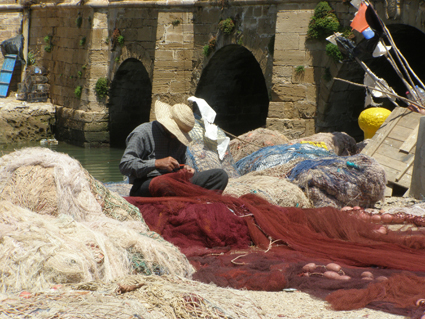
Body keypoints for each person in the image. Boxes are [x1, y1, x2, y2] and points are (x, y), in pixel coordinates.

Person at [119, 100, 228, 197]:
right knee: (164, 184)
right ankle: (188, 198)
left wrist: (186, 169)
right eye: (176, 131)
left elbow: (181, 164)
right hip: (149, 184)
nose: (176, 136)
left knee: (220, 176)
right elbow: (125, 165)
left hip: (175, 182)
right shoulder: (142, 133)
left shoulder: (180, 140)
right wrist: (156, 163)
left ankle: (196, 202)